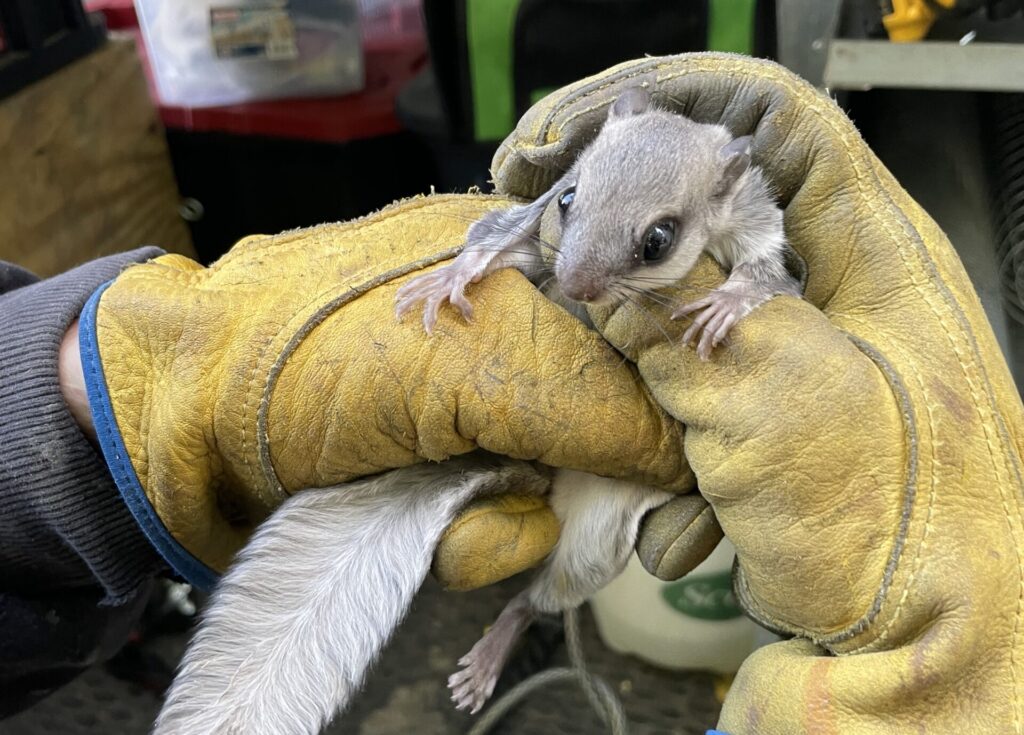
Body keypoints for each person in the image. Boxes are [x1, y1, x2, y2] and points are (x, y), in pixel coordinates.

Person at [3, 53, 1023, 735]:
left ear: (720, 190)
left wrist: (744, 294)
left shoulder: (742, 202)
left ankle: (509, 626)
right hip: (545, 399)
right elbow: (524, 220)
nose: (581, 264)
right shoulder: (598, 178)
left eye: (653, 244)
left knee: (583, 545)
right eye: (579, 204)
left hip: (669, 445)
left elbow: (762, 264)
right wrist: (468, 264)